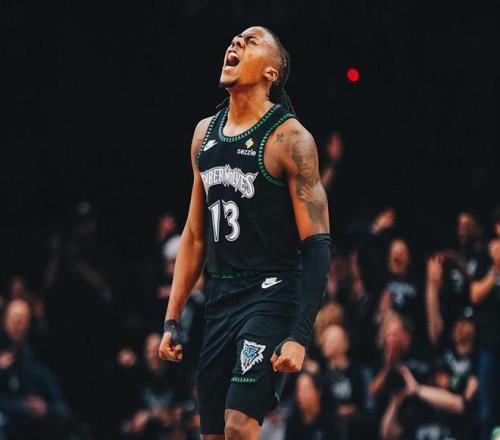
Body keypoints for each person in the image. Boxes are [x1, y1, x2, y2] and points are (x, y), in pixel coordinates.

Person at [158, 26, 331, 439]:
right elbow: (195, 236)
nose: (235, 42)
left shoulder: (290, 139)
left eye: (251, 41)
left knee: (238, 425)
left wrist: (299, 336)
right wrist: (171, 319)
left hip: (272, 292)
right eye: (235, 39)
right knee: (213, 434)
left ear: (271, 73)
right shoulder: (204, 134)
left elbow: (318, 245)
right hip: (221, 297)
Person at [470, 238, 500, 440]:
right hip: (491, 346)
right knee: (487, 411)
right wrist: (495, 269)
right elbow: (475, 295)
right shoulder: (484, 261)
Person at [284, 372, 336, 440]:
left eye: (305, 390)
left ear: (318, 392)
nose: (299, 395)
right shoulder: (292, 421)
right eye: (298, 390)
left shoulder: (330, 422)